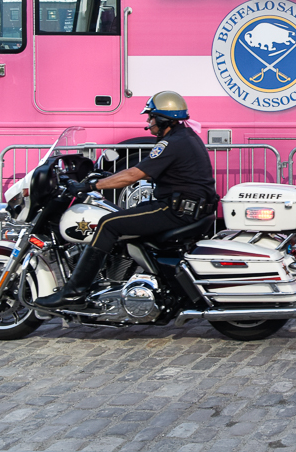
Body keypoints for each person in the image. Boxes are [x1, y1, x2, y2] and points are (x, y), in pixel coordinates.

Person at [35, 91, 218, 308]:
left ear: (162, 119)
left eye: (150, 118)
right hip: (189, 208)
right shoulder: (184, 137)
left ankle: (74, 292)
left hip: (176, 210)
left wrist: (89, 185)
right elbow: (143, 171)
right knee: (122, 216)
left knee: (108, 224)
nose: (148, 123)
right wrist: (106, 177)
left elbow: (134, 175)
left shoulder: (171, 143)